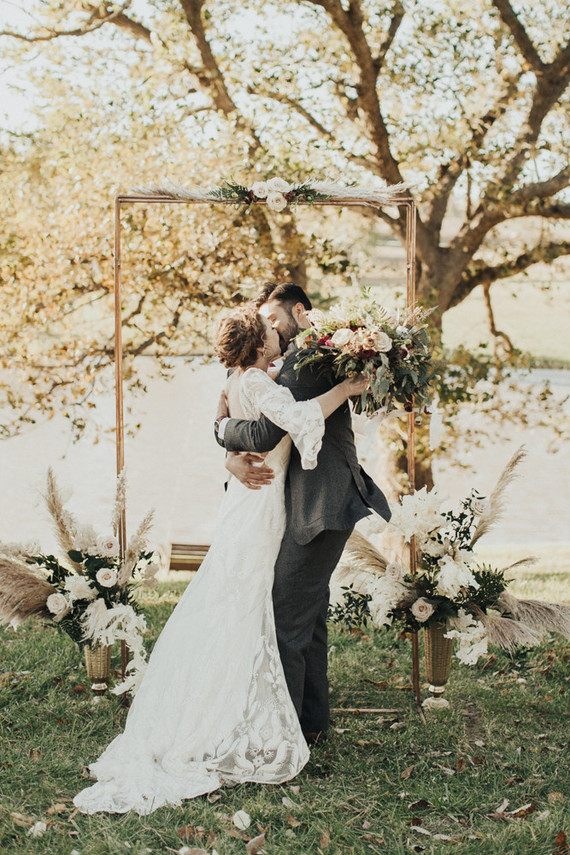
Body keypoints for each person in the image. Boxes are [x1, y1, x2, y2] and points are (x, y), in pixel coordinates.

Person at [73, 305, 366, 815]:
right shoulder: (256, 382)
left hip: (253, 502)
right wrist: (347, 389)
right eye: (271, 333)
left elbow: (246, 413)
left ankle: (246, 702)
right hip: (260, 506)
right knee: (251, 602)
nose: (279, 335)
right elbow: (293, 420)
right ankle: (240, 715)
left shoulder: (245, 378)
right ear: (256, 348)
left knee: (240, 601)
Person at [215, 283, 391, 743]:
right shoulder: (287, 362)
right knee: (306, 618)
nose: (271, 326)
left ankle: (284, 734)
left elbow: (263, 431)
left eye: (274, 318)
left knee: (287, 618)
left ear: (298, 311)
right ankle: (309, 725)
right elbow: (249, 401)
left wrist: (223, 433)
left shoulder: (310, 357)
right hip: (302, 505)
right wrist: (224, 442)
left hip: (320, 505)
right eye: (264, 324)